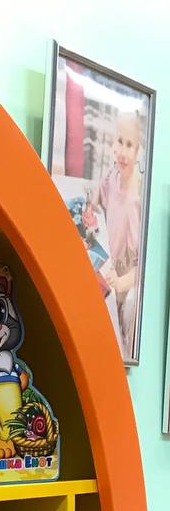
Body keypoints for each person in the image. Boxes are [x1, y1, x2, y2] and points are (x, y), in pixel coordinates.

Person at [89, 107, 144, 358]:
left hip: (122, 280)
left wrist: (121, 282)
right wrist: (89, 208)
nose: (122, 151)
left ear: (138, 150)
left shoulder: (135, 201)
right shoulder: (112, 178)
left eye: (129, 145)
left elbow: (140, 267)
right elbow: (95, 200)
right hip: (105, 265)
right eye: (120, 141)